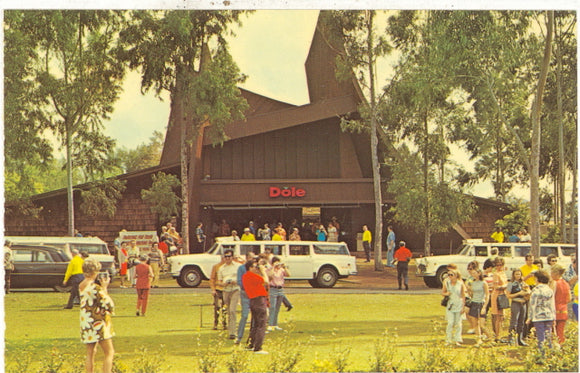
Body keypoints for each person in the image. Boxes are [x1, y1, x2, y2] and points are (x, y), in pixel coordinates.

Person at [79, 258, 115, 373]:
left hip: (86, 321)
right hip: (98, 321)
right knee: (109, 352)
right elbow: (108, 304)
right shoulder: (95, 287)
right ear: (95, 272)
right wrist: (105, 287)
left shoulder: (81, 285)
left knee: (90, 352)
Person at [242, 258, 270, 354]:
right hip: (259, 300)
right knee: (261, 324)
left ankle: (250, 344)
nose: (256, 268)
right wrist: (263, 271)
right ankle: (258, 347)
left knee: (255, 324)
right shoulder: (251, 276)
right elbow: (266, 281)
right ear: (250, 268)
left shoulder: (246, 276)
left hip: (253, 300)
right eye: (254, 267)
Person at [527, 269, 555, 358]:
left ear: (538, 279)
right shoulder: (550, 290)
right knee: (548, 336)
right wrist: (554, 317)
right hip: (549, 316)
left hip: (538, 317)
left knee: (540, 337)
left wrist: (529, 317)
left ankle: (542, 355)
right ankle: (550, 354)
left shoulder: (535, 291)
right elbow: (552, 305)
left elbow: (532, 305)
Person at [218, 249, 241, 339]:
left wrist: (235, 281)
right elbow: (219, 281)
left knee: (232, 310)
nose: (227, 258)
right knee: (228, 310)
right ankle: (230, 329)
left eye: (229, 256)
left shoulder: (238, 266)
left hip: (235, 289)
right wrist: (223, 284)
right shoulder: (221, 268)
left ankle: (233, 332)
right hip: (226, 290)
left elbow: (242, 278)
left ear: (232, 257)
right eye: (226, 256)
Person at [236, 252, 256, 345]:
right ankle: (239, 337)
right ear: (247, 258)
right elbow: (239, 281)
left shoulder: (255, 269)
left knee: (255, 317)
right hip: (245, 293)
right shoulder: (241, 268)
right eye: (250, 258)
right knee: (244, 315)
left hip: (254, 294)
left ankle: (252, 338)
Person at [506, 269, 530, 346]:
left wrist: (527, 292)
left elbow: (528, 291)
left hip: (523, 303)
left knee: (522, 321)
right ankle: (511, 339)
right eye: (516, 274)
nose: (518, 276)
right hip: (516, 302)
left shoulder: (523, 283)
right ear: (513, 275)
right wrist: (519, 293)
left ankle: (520, 339)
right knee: (514, 321)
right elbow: (508, 295)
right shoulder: (511, 284)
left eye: (519, 274)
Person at [467, 268, 490, 345]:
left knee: (482, 324)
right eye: (472, 273)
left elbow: (487, 295)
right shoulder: (473, 283)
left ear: (479, 273)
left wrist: (484, 307)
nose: (473, 275)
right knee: (475, 323)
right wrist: (469, 290)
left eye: (474, 273)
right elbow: (472, 295)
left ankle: (490, 337)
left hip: (481, 303)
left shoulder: (484, 283)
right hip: (474, 303)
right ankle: (478, 339)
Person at [442, 269, 465, 346]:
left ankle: (457, 339)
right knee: (450, 322)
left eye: (451, 275)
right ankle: (448, 339)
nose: (450, 276)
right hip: (450, 305)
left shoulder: (460, 284)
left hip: (459, 304)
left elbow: (463, 296)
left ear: (456, 276)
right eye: (448, 275)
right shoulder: (447, 283)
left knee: (458, 323)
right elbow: (443, 293)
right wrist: (446, 294)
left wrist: (463, 307)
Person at [267, 256, 290, 331]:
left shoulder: (281, 270)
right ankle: (270, 324)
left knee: (277, 307)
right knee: (272, 307)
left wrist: (285, 267)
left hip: (280, 289)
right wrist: (273, 267)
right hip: (273, 288)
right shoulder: (270, 269)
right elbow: (269, 276)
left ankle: (275, 324)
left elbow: (288, 274)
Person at [550, 264, 571, 345]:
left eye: (552, 273)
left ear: (556, 273)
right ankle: (562, 347)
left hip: (555, 309)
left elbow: (551, 296)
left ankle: (555, 348)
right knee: (561, 332)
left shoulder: (554, 283)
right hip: (564, 310)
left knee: (553, 333)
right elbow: (569, 299)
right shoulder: (566, 283)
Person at [490, 257, 508, 342]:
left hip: (503, 295)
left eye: (501, 265)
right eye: (497, 265)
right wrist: (505, 286)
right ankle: (497, 336)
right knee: (497, 316)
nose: (499, 266)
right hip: (497, 295)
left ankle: (499, 334)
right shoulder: (496, 274)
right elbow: (496, 287)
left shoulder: (503, 273)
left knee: (502, 317)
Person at [209, 256, 227, 331]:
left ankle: (224, 323)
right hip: (218, 289)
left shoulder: (228, 267)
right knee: (217, 307)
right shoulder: (216, 267)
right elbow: (212, 279)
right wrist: (213, 289)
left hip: (226, 289)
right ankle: (215, 323)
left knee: (225, 307)